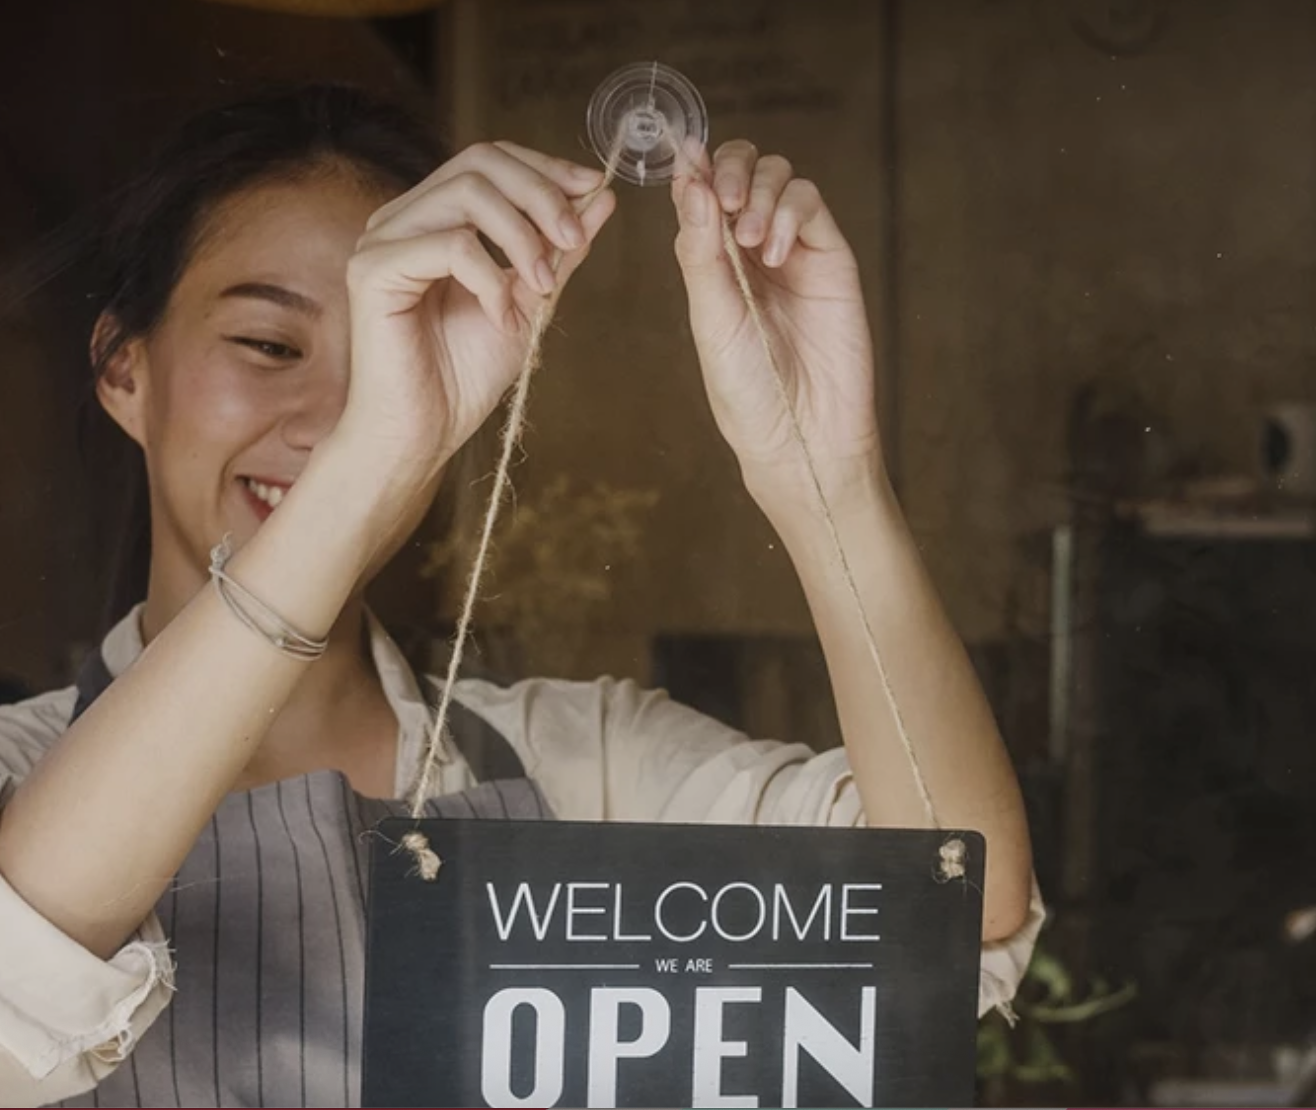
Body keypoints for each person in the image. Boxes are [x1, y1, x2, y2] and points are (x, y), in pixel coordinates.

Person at [0, 84, 1041, 1107]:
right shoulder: (21, 769)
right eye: (270, 346)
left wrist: (826, 476)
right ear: (123, 369)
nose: (332, 419)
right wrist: (359, 471)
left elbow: (946, 914)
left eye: (389, 360)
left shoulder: (580, 764)